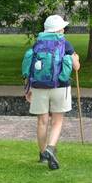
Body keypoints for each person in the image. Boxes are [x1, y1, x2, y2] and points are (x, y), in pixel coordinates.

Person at [22, 14, 81, 170]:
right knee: (57, 121)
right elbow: (76, 67)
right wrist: (76, 59)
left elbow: (29, 66)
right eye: (63, 27)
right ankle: (51, 147)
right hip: (60, 86)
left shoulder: (37, 44)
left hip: (39, 86)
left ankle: (42, 153)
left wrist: (27, 87)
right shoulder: (65, 44)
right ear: (59, 29)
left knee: (42, 121)